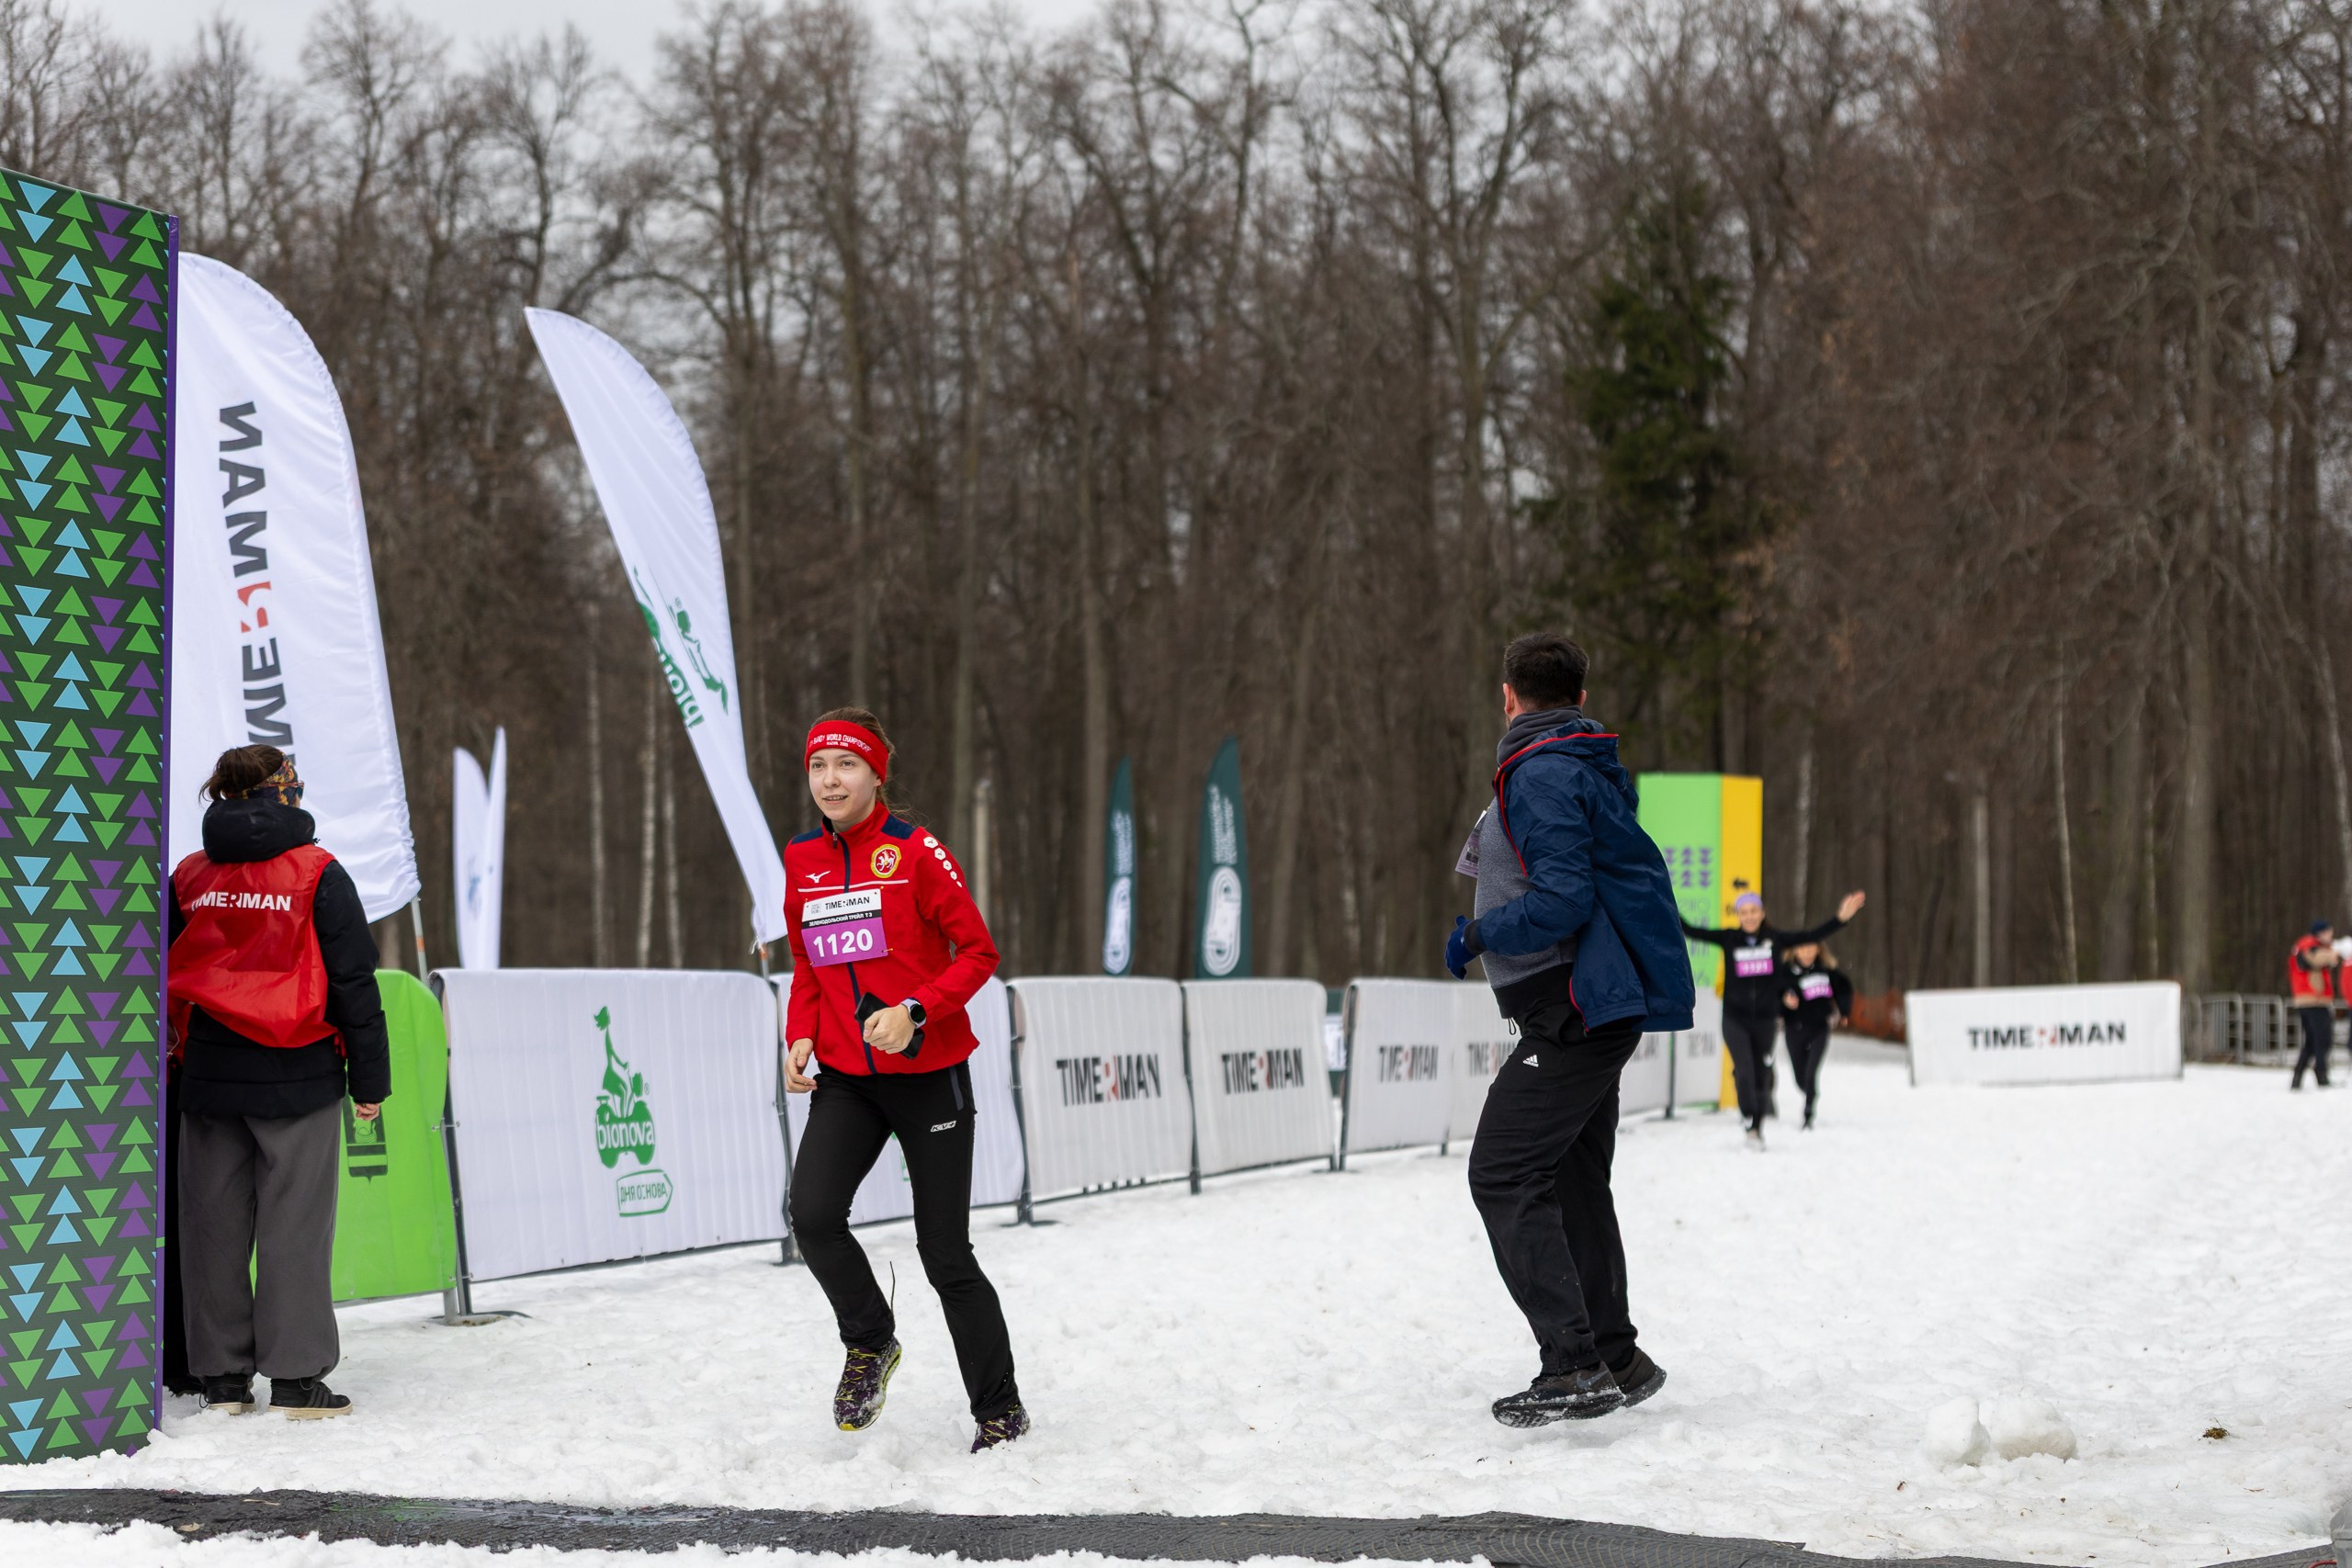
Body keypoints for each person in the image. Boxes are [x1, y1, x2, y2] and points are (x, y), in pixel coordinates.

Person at [1443, 632, 1695, 1427]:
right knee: (1571, 1178)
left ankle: (1576, 1364)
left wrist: (1479, 936)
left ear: (1508, 695)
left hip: (1571, 1010)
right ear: (1580, 698)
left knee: (1503, 1173)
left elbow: (1562, 899)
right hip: (1585, 1004)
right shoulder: (1573, 763)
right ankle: (1616, 1355)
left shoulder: (1544, 772)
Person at [783, 708, 1028, 1452]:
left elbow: (978, 951)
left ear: (876, 772)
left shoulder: (914, 851)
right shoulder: (801, 857)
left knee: (944, 1252)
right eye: (819, 765)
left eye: (846, 765)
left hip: (929, 1074)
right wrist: (800, 1031)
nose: (831, 779)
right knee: (814, 1214)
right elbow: (807, 961)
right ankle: (871, 1340)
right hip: (848, 1078)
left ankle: (1000, 1409)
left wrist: (916, 1009)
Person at [166, 746, 389, 1419]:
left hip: (208, 1073)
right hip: (298, 1072)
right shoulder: (317, 871)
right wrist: (369, 1081)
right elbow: (353, 982)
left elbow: (164, 975)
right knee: (294, 1226)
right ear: (284, 791)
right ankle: (296, 1382)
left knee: (212, 1226)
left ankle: (222, 1382)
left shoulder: (188, 875)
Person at [1682, 886, 1865, 1149]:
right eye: (1743, 912)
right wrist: (1658, 898)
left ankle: (1756, 1126)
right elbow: (1691, 931)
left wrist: (1841, 918)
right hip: (1735, 1017)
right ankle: (1747, 1116)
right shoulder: (1729, 938)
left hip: (1765, 1019)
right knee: (1743, 1068)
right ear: (1738, 915)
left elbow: (1811, 935)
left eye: (1754, 911)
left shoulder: (1775, 939)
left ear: (1762, 913)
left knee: (1759, 1073)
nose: (1749, 917)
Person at [1777, 942, 1852, 1129]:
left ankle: (1808, 1113)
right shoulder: (1785, 973)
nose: (1806, 953)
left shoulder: (1826, 972)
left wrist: (1844, 1011)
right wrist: (1785, 1002)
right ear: (1794, 951)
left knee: (1812, 1072)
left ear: (1818, 950)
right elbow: (1773, 996)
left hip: (1819, 1028)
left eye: (1810, 949)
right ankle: (1810, 1092)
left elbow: (1844, 989)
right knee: (1800, 1078)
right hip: (1794, 1028)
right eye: (1802, 949)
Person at [2289, 920, 2339, 1090]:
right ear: (2320, 933)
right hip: (2313, 1000)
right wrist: (2334, 953)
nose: (2330, 937)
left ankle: (2298, 1076)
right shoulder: (2309, 944)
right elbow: (2315, 958)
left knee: (2311, 1041)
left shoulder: (2305, 944)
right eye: (2328, 933)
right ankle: (2321, 1074)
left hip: (2307, 999)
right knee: (2323, 1039)